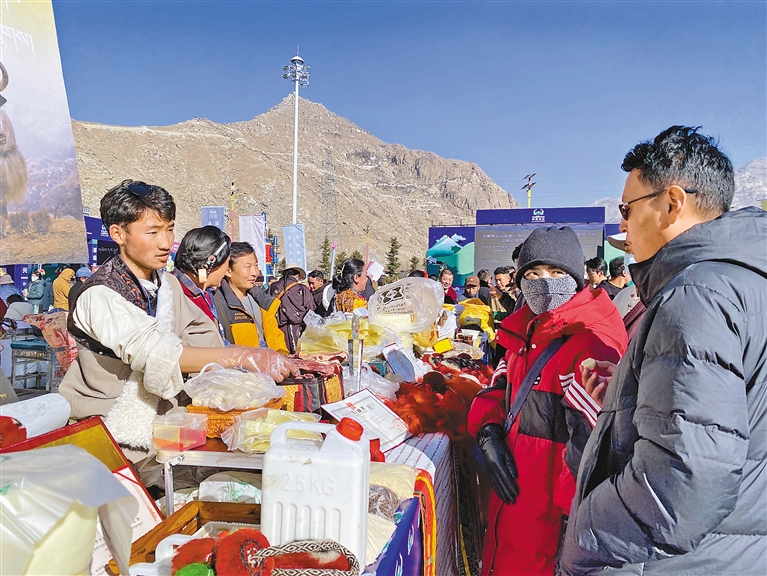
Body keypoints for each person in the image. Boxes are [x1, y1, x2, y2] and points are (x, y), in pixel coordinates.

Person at [560, 126, 767, 575]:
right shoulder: (746, 281)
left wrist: (586, 531)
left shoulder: (698, 295)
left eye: (626, 209)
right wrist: (634, 393)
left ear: (672, 203)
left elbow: (686, 481)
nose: (621, 225)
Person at [59, 180, 296, 459]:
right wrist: (241, 355)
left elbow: (203, 335)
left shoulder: (167, 285)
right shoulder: (99, 295)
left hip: (168, 422)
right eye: (152, 232)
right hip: (107, 425)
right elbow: (159, 354)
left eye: (170, 229)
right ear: (118, 234)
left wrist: (240, 376)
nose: (165, 242)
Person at [468, 225, 627, 576]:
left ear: (576, 277)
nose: (544, 283)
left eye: (556, 273)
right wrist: (489, 430)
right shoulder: (527, 329)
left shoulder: (590, 343)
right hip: (516, 502)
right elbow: (501, 382)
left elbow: (593, 447)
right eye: (533, 274)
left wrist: (571, 529)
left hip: (548, 522)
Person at [214, 242, 288, 354]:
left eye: (256, 265)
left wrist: (283, 356)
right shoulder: (219, 304)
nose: (255, 273)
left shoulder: (263, 301)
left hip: (271, 367)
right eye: (248, 267)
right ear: (228, 271)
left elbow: (276, 337)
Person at [268, 264, 315, 353]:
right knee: (297, 355)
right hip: (297, 327)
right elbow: (311, 308)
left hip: (276, 327)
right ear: (297, 275)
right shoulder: (301, 288)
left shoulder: (273, 286)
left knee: (280, 354)